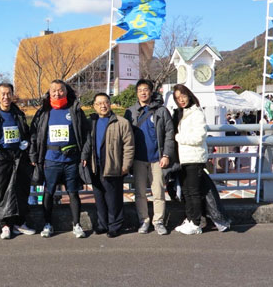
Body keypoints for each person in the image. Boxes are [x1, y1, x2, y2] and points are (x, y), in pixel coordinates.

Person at [29, 80, 91, 238]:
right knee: (48, 193)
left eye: (60, 90)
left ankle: (76, 224)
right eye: (54, 91)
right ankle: (47, 224)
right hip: (50, 160)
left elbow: (86, 135)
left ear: (66, 91)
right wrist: (33, 155)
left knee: (73, 193)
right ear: (49, 93)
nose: (57, 93)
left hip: (71, 160)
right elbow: (34, 136)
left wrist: (84, 154)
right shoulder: (43, 111)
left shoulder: (75, 110)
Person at [0, 83, 35, 239]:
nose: (6, 97)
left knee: (20, 190)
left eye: (8, 94)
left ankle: (20, 222)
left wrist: (26, 143)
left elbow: (27, 134)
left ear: (12, 95)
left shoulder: (19, 114)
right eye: (3, 94)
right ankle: (5, 225)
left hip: (17, 157)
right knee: (1, 192)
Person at [124, 79, 174, 235]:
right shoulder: (130, 112)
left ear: (151, 92)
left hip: (157, 158)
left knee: (158, 192)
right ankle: (144, 220)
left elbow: (170, 134)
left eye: (146, 89)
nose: (143, 92)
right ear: (137, 93)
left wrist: (166, 154)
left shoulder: (161, 111)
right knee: (139, 192)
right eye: (140, 90)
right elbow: (124, 135)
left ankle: (158, 221)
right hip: (138, 159)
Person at [88, 93, 134, 238]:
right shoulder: (91, 122)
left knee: (113, 198)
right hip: (95, 166)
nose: (103, 106)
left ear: (110, 104)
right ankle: (103, 224)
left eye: (106, 102)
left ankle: (115, 225)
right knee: (99, 198)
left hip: (114, 166)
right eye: (99, 103)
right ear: (95, 106)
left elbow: (129, 146)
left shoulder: (121, 122)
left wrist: (126, 165)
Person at [172, 84, 208, 235]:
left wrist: (178, 137)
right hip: (185, 159)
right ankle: (189, 219)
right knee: (186, 191)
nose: (181, 100)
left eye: (183, 96)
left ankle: (196, 223)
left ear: (189, 95)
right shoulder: (183, 112)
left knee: (193, 192)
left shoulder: (197, 113)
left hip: (195, 157)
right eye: (177, 98)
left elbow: (199, 136)